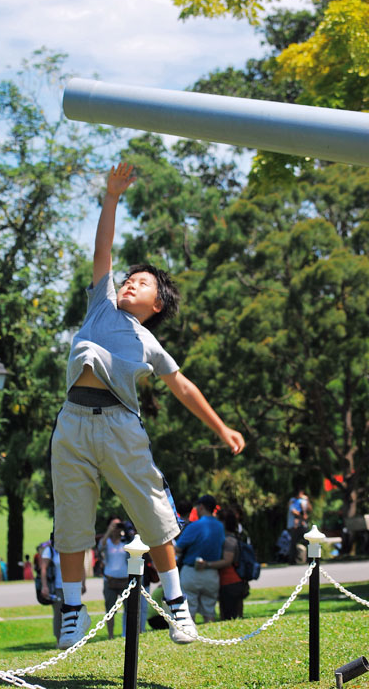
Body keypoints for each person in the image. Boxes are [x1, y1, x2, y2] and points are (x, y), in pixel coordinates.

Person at [50, 162, 245, 649]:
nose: (129, 283)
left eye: (141, 283)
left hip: (120, 426)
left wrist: (222, 430)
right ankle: (73, 609)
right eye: (127, 279)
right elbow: (102, 249)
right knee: (72, 521)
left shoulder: (147, 343)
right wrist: (111, 198)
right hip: (72, 422)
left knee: (154, 517)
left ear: (157, 305)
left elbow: (183, 388)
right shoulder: (101, 304)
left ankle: (178, 608)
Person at [176, 494, 225, 623]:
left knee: (189, 610)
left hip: (192, 572)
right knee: (209, 610)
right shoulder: (220, 527)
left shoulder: (194, 526)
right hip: (211, 572)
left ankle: (191, 637)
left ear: (201, 507)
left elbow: (178, 548)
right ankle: (210, 637)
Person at [195, 508, 248, 620]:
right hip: (232, 582)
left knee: (230, 617)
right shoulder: (232, 538)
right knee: (232, 616)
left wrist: (207, 564)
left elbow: (227, 561)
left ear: (223, 522)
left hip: (230, 583)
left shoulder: (229, 540)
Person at [98, 518, 130, 639]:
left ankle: (127, 633)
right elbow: (100, 547)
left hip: (125, 579)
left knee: (129, 609)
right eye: (114, 525)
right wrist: (109, 531)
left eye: (119, 525)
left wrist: (126, 531)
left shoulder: (125, 541)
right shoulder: (107, 541)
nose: (117, 528)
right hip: (109, 579)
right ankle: (110, 635)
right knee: (110, 609)